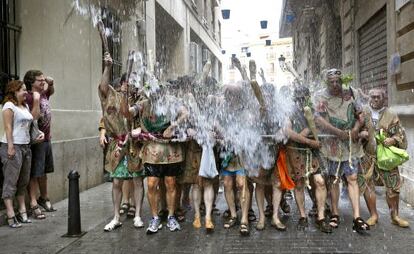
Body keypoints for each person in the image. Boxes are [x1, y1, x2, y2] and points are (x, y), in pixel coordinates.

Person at [314, 68, 369, 233]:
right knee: (334, 179)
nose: (335, 84)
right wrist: (338, 133)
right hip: (331, 144)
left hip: (350, 144)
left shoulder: (351, 92)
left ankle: (357, 217)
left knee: (352, 177)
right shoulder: (320, 96)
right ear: (327, 82)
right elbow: (318, 119)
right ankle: (335, 213)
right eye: (332, 82)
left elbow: (360, 115)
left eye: (338, 81)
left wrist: (356, 128)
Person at [128, 83, 188, 234]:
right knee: (152, 184)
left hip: (171, 150)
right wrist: (124, 98)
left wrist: (173, 126)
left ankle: (171, 216)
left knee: (170, 184)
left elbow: (186, 113)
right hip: (152, 150)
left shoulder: (171, 102)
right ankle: (155, 218)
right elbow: (128, 113)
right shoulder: (143, 104)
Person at [98, 53, 144, 231]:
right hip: (116, 145)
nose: (130, 85)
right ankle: (116, 216)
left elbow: (138, 116)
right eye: (128, 82)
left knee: (138, 181)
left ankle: (138, 215)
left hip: (135, 146)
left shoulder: (140, 100)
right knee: (117, 181)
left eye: (133, 83)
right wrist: (108, 67)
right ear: (122, 83)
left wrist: (140, 131)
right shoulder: (112, 95)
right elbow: (103, 86)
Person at [284, 85, 332, 233]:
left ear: (307, 97)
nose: (301, 100)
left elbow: (321, 126)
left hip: (313, 151)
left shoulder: (315, 110)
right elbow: (287, 132)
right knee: (299, 185)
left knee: (320, 182)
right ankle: (302, 217)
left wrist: (310, 130)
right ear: (294, 98)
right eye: (298, 98)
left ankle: (321, 217)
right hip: (296, 151)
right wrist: (306, 138)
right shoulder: (289, 111)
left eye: (303, 97)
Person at [0, 80, 43, 228]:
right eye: (23, 90)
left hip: (26, 146)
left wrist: (38, 134)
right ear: (14, 91)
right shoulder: (8, 106)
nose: (26, 92)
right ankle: (11, 214)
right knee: (11, 181)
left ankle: (22, 210)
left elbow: (30, 123)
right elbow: (8, 127)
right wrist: (10, 147)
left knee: (23, 181)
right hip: (13, 146)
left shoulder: (24, 106)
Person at [368, 88, 409, 228]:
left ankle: (395, 216)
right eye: (372, 97)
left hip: (386, 157)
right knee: (368, 186)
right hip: (368, 156)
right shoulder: (363, 112)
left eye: (378, 97)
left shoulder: (390, 114)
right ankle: (373, 215)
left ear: (384, 98)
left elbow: (400, 134)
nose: (375, 99)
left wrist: (393, 140)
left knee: (393, 187)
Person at [24, 70, 56, 219]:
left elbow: (52, 89)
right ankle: (33, 203)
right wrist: (36, 100)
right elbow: (33, 117)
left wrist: (50, 81)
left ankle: (45, 197)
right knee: (35, 173)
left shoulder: (43, 93)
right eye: (40, 80)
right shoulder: (30, 97)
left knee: (44, 172)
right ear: (31, 82)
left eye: (43, 79)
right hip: (36, 140)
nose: (43, 82)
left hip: (46, 139)